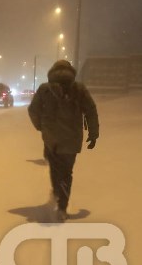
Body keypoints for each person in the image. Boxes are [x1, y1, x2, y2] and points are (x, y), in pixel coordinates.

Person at [28, 60, 99, 221]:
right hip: (72, 139)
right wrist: (93, 133)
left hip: (52, 138)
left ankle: (57, 192)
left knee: (55, 168)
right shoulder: (79, 89)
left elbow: (33, 110)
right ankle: (62, 206)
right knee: (67, 172)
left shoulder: (45, 89)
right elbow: (91, 111)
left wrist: (41, 126)